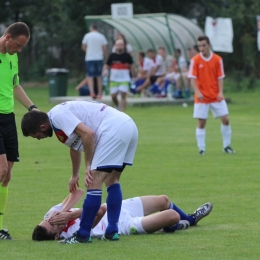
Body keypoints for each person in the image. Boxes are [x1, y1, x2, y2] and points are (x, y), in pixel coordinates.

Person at [21, 100, 138, 244]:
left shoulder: (57, 116)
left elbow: (88, 134)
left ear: (42, 126)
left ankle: (82, 235)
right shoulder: (57, 122)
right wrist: (75, 174)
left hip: (113, 128)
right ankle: (112, 231)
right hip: (127, 125)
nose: (39, 138)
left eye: (36, 135)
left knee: (93, 181)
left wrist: (88, 165)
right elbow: (75, 146)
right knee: (112, 180)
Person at [31, 188, 213, 242]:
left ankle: (190, 219)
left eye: (48, 219)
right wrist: (71, 216)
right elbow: (99, 212)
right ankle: (172, 226)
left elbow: (77, 193)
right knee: (171, 215)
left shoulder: (52, 215)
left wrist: (63, 210)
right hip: (121, 224)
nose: (52, 219)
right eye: (53, 224)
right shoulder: (70, 235)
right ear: (56, 236)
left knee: (163, 200)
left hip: (116, 206)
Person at [0, 22, 38, 240]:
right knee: (1, 170)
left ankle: (0, 227)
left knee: (7, 176)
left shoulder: (13, 58)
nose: (20, 50)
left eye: (23, 47)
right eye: (18, 45)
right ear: (7, 37)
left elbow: (15, 86)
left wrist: (32, 107)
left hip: (8, 119)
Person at [188, 36, 235, 155]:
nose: (201, 48)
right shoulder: (195, 60)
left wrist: (220, 92)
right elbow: (192, 79)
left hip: (215, 96)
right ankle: (202, 149)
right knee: (202, 122)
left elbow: (220, 78)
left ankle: (227, 146)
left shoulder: (217, 59)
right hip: (202, 97)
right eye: (199, 46)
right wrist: (198, 93)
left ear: (208, 45)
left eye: (203, 45)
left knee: (225, 119)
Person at [103, 39, 135, 112]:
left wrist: (133, 76)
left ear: (124, 46)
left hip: (124, 78)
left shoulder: (127, 56)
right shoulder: (112, 56)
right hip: (114, 79)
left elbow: (131, 66)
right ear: (115, 46)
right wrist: (104, 71)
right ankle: (117, 105)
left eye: (121, 45)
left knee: (123, 94)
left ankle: (122, 112)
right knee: (113, 96)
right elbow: (107, 65)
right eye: (118, 45)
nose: (120, 46)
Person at [82, 24, 108, 99]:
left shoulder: (87, 36)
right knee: (99, 76)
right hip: (99, 57)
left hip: (90, 58)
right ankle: (99, 93)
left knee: (90, 76)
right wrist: (106, 58)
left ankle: (92, 93)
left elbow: (83, 46)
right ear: (97, 28)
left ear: (91, 28)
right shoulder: (101, 36)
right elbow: (105, 48)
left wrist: (89, 51)